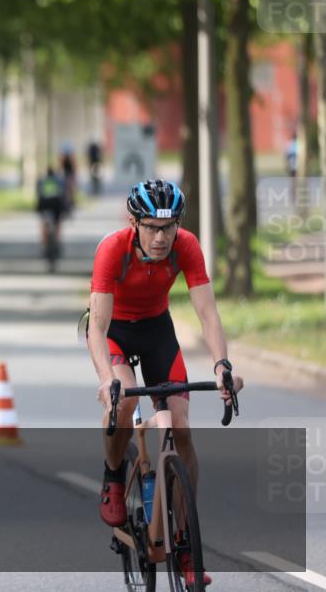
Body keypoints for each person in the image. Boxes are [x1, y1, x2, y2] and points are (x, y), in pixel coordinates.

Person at [86, 180, 244, 588]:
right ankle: (114, 474)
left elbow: (208, 313)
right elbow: (97, 327)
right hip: (115, 331)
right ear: (134, 223)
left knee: (180, 425)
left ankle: (186, 544)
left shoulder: (186, 246)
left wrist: (222, 365)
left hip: (156, 330)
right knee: (121, 403)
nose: (161, 237)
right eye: (152, 228)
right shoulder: (112, 250)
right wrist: (107, 380)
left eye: (169, 227)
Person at [35, 167, 65, 266]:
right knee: (58, 223)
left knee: (43, 224)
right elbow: (63, 196)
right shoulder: (59, 181)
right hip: (56, 207)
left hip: (45, 207)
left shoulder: (42, 181)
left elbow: (38, 196)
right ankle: (57, 241)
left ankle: (43, 245)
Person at [59, 142, 77, 215]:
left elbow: (74, 167)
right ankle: (67, 205)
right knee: (66, 192)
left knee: (69, 192)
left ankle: (70, 205)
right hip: (66, 176)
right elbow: (60, 167)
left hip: (69, 176)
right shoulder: (64, 158)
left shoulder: (71, 158)